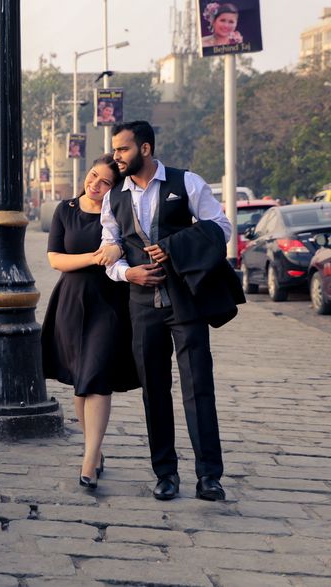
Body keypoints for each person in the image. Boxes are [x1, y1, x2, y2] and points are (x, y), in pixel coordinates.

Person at [101, 120, 244, 502]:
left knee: (199, 388)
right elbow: (109, 247)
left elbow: (221, 226)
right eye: (115, 150)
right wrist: (128, 272)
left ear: (145, 149)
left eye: (123, 149)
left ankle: (209, 476)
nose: (117, 156)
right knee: (154, 391)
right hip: (142, 306)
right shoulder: (113, 196)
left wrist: (175, 247)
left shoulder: (187, 183)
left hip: (186, 302)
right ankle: (165, 473)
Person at [42, 154, 140, 490]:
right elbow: (55, 258)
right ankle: (95, 452)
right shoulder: (65, 209)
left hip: (110, 303)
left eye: (104, 182)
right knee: (80, 383)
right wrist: (96, 257)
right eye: (93, 176)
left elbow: (134, 247)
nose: (94, 185)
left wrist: (118, 250)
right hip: (70, 302)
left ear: (115, 187)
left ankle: (88, 460)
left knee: (97, 376)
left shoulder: (121, 212)